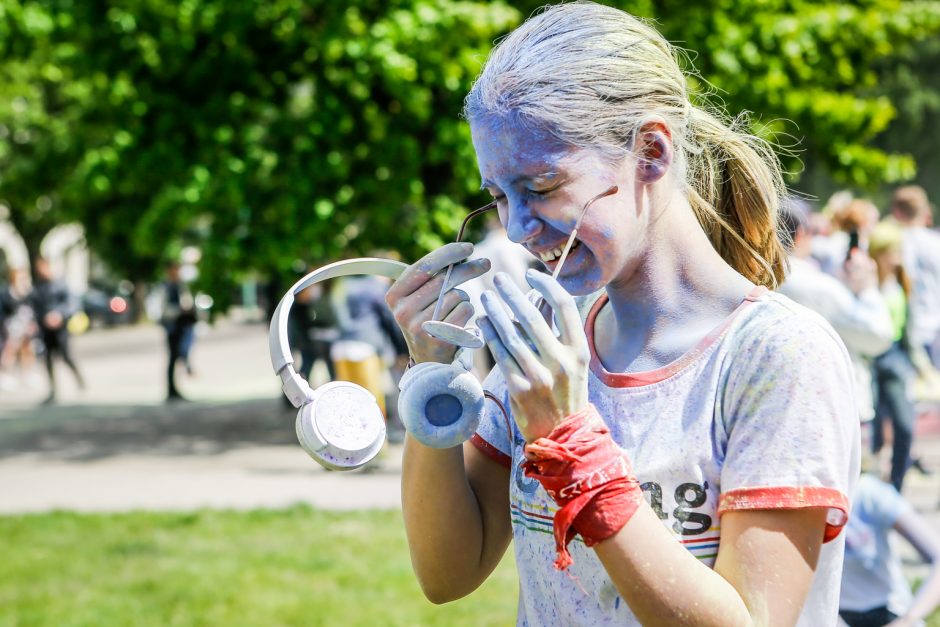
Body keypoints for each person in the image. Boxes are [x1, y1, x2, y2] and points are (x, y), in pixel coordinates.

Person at [385, 4, 858, 625]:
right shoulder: (551, 337)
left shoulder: (777, 356)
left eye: (543, 186)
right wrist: (431, 382)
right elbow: (449, 573)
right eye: (499, 197)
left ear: (652, 153)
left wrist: (573, 446)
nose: (521, 229)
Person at [777, 199, 894, 423]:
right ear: (801, 235)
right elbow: (878, 336)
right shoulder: (817, 286)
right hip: (830, 408)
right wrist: (867, 289)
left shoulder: (744, 280)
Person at [839, 473, 940, 627]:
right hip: (836, 615)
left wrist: (908, 620)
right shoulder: (804, 501)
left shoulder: (868, 493)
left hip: (890, 612)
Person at [867, 222, 923, 492]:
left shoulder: (902, 281)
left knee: (905, 426)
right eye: (892, 251)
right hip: (870, 361)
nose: (896, 256)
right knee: (873, 432)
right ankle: (872, 492)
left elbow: (909, 329)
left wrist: (922, 366)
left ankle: (896, 489)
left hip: (896, 358)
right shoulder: (865, 280)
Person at [889, 186, 940, 369]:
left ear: (896, 212)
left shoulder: (897, 243)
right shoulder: (936, 242)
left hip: (911, 330)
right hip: (935, 326)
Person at [30, 257, 84, 404]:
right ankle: (53, 389)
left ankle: (79, 378)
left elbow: (72, 304)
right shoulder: (37, 287)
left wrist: (59, 315)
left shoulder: (61, 285)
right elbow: (35, 308)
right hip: (45, 330)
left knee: (66, 356)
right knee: (47, 358)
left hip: (61, 329)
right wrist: (37, 321)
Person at [157, 262, 197, 402]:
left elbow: (187, 301)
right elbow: (163, 309)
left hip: (182, 325)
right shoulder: (165, 287)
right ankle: (171, 389)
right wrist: (178, 310)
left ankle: (175, 387)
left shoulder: (180, 286)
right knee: (173, 357)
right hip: (172, 326)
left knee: (181, 353)